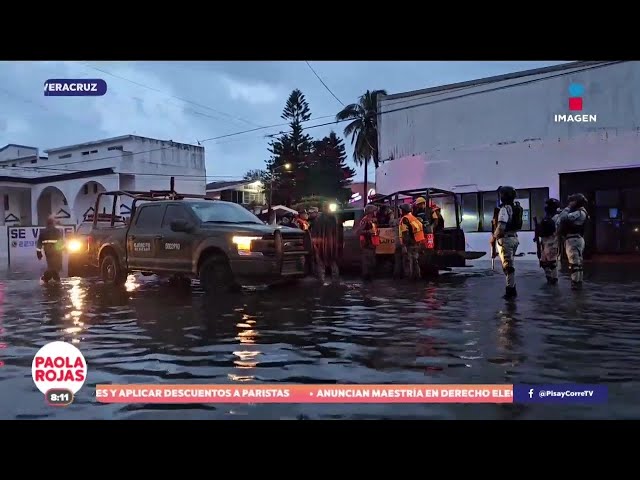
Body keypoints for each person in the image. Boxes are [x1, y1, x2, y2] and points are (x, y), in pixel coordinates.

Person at [489, 186, 523, 299]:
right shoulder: (516, 207)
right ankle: (511, 288)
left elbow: (501, 226)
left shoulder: (504, 209)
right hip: (514, 238)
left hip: (506, 239)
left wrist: (494, 237)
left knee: (508, 267)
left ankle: (510, 291)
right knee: (509, 265)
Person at [557, 193, 589, 290]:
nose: (570, 202)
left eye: (572, 201)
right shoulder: (582, 211)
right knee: (577, 262)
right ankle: (578, 282)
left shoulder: (579, 212)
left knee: (574, 262)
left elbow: (562, 218)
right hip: (576, 239)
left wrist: (567, 208)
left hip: (573, 239)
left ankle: (575, 283)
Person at [309, 202, 343, 285]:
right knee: (324, 263)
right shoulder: (323, 219)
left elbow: (339, 232)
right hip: (325, 245)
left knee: (329, 263)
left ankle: (328, 281)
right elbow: (315, 232)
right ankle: (325, 281)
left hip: (328, 245)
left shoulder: (333, 218)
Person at [537, 198, 562, 285]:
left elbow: (558, 230)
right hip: (544, 242)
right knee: (544, 263)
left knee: (552, 263)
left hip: (552, 241)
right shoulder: (546, 217)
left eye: (549, 205)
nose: (547, 207)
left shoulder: (557, 217)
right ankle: (549, 279)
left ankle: (554, 280)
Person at [399, 203, 425, 280]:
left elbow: (405, 233)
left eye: (401, 210)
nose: (400, 211)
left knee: (408, 262)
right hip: (417, 243)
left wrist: (404, 246)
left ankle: (409, 279)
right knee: (415, 261)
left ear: (403, 210)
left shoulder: (405, 219)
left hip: (409, 244)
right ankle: (417, 277)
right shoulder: (414, 218)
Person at [36, 215, 65, 284]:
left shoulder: (43, 231)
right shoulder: (57, 231)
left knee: (52, 266)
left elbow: (39, 243)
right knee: (56, 267)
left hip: (47, 251)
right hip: (56, 251)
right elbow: (61, 242)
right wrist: (60, 250)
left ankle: (56, 278)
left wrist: (39, 253)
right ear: (53, 223)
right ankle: (45, 278)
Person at [355, 204, 379, 281]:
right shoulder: (365, 220)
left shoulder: (372, 220)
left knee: (372, 263)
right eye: (374, 211)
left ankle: (370, 279)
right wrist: (369, 231)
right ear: (370, 212)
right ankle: (366, 280)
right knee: (367, 264)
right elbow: (358, 231)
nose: (376, 213)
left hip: (372, 245)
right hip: (367, 245)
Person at [389, 207, 403, 278]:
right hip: (404, 242)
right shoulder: (403, 219)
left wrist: (391, 214)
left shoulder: (395, 221)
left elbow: (391, 222)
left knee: (398, 259)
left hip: (398, 242)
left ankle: (397, 274)